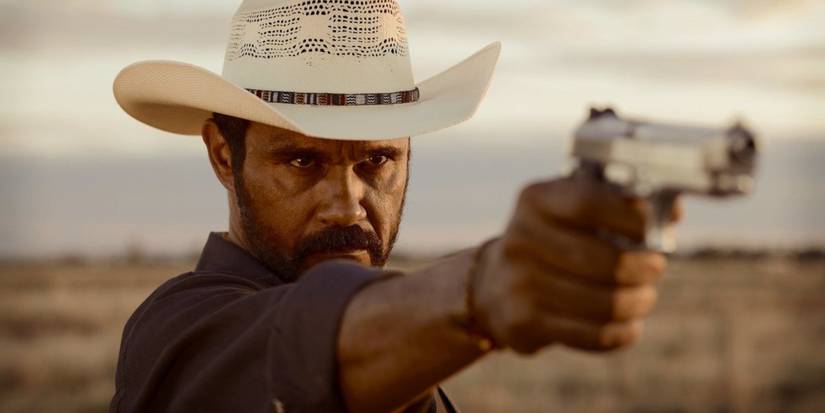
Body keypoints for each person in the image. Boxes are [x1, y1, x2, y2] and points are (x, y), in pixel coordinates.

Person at [110, 0, 680, 412]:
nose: (347, 206)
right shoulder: (177, 332)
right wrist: (481, 290)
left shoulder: (403, 347)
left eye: (376, 161)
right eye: (302, 162)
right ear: (223, 157)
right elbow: (301, 350)